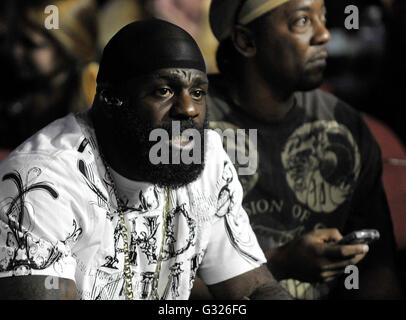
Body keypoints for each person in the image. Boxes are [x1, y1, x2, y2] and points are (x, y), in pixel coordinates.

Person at [0, 19, 291, 300]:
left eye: (198, 92)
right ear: (110, 99)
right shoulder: (41, 185)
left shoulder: (209, 156)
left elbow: (254, 288)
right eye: (164, 91)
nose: (188, 109)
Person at [206, 0, 403, 299]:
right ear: (246, 41)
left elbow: (378, 269)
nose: (324, 34)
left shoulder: (343, 123)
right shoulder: (189, 125)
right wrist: (280, 263)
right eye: (302, 21)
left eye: (322, 17)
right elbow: (154, 276)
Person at [0, 0, 99, 151]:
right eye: (14, 38)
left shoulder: (93, 93)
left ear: (66, 48)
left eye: (29, 44)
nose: (15, 51)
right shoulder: (10, 84)